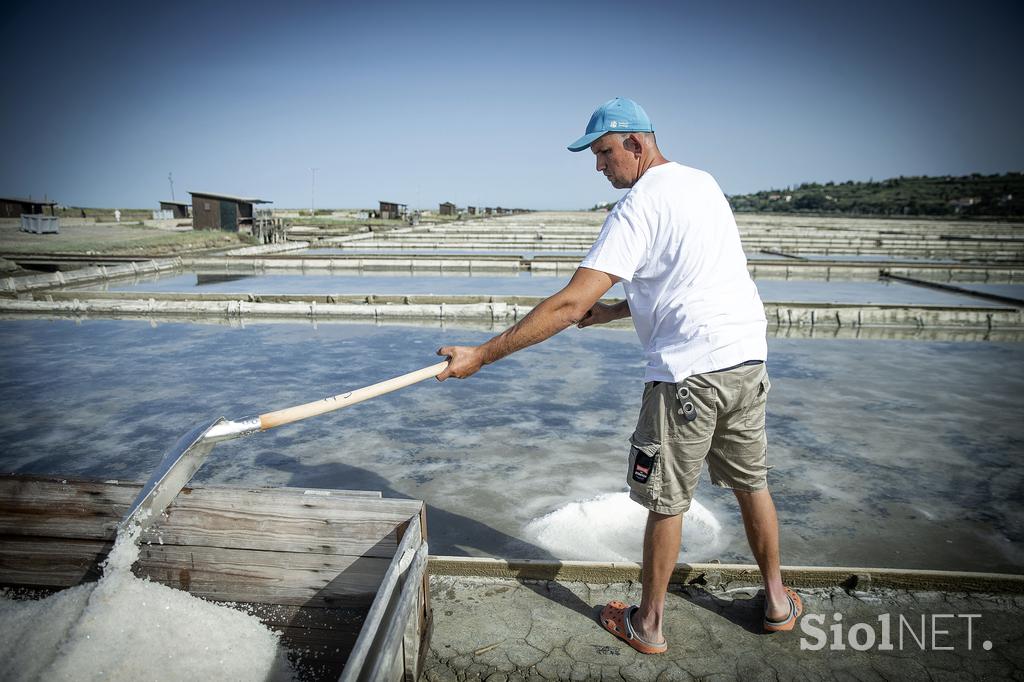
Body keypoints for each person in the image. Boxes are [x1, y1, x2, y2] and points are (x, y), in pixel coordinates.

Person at [436, 97, 801, 654]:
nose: (599, 166)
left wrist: (481, 355)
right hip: (746, 361)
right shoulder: (703, 184)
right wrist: (614, 312)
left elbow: (568, 302)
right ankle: (777, 602)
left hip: (687, 379)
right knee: (753, 482)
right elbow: (689, 280)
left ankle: (647, 624)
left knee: (666, 500)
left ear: (636, 142)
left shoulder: (636, 207)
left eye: (604, 152)